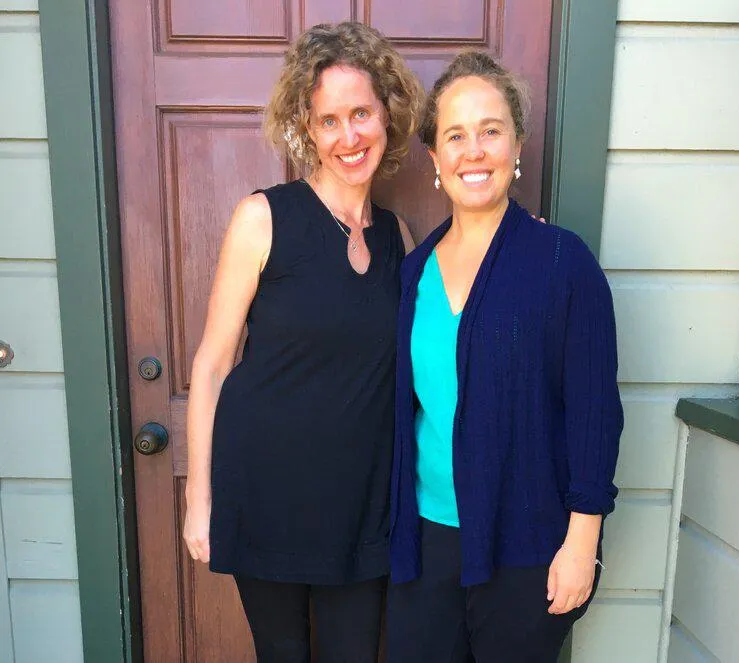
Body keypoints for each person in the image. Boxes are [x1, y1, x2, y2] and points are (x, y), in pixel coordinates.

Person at [182, 22, 421, 663]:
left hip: (363, 506)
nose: (349, 137)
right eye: (329, 120)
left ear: (387, 117)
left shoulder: (400, 237)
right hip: (266, 495)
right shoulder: (263, 217)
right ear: (307, 129)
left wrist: (523, 241)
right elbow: (210, 366)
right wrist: (199, 499)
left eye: (362, 114)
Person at [387, 51, 623, 662]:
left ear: (517, 146)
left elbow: (594, 414)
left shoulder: (561, 263)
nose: (474, 150)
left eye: (491, 131)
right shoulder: (414, 273)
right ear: (435, 158)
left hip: (528, 543)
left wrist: (582, 541)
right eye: (455, 136)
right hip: (428, 540)